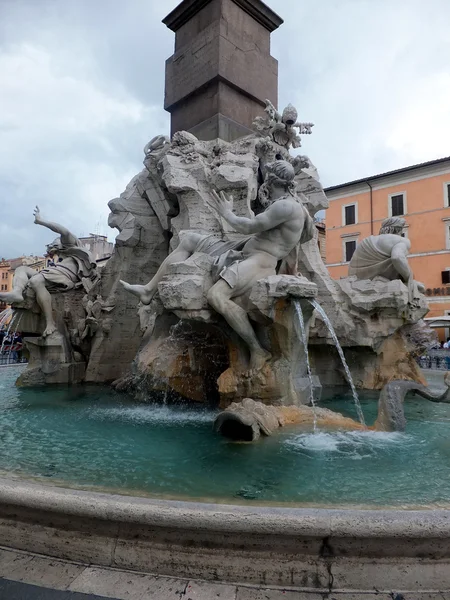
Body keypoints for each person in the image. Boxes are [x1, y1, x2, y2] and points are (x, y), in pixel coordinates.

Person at [121, 160, 315, 372]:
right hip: (242, 250)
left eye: (267, 177)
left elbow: (248, 226)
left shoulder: (285, 206)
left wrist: (227, 213)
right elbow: (295, 243)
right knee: (189, 240)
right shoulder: (294, 207)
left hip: (260, 261)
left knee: (216, 296)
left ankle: (257, 350)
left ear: (271, 180)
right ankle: (148, 290)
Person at [0, 207, 97, 337]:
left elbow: (64, 231)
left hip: (67, 275)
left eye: (53, 243)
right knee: (21, 269)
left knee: (36, 280)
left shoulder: (71, 245)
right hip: (54, 273)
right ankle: (17, 292)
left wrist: (41, 221)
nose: (51, 246)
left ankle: (50, 323)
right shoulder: (61, 257)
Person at [348, 217, 424, 303]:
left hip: (357, 284)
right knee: (421, 288)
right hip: (382, 284)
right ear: (399, 230)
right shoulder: (401, 240)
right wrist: (409, 279)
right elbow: (397, 257)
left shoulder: (366, 241)